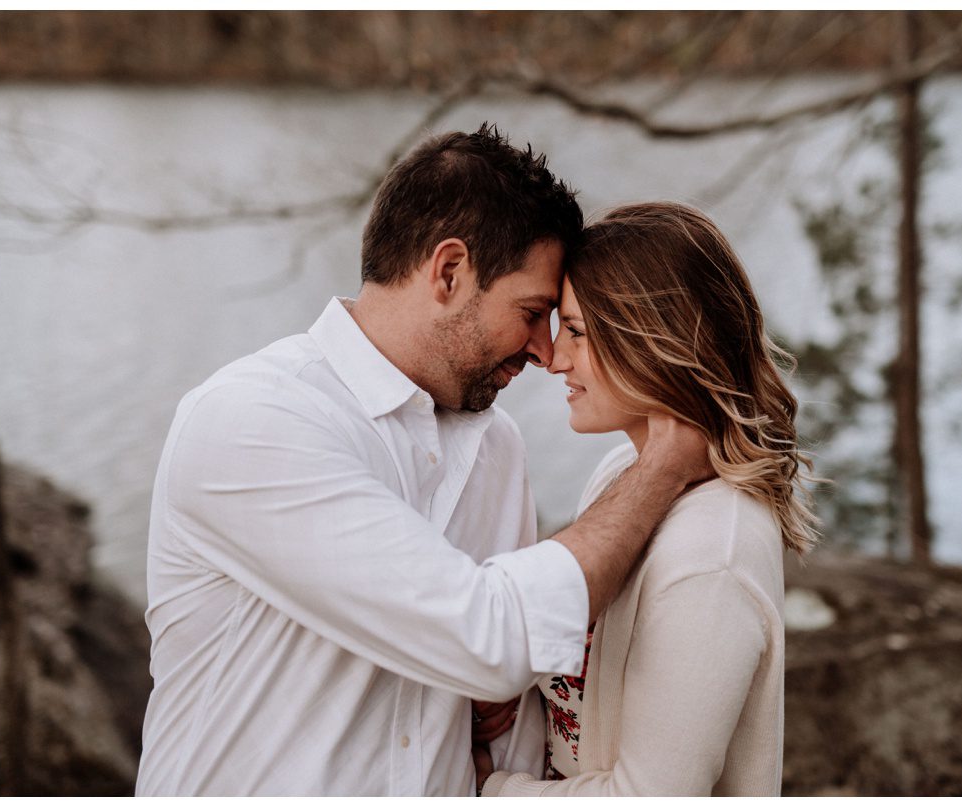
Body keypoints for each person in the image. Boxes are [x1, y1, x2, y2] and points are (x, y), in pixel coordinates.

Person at [135, 126, 711, 796]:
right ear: (448, 271)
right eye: (531, 312)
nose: (545, 352)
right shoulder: (251, 420)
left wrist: (502, 703)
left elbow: (509, 708)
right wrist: (662, 467)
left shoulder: (498, 448)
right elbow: (491, 636)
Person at [476, 202, 820, 796]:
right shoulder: (623, 475)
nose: (555, 359)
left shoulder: (712, 557)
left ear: (654, 338)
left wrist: (487, 791)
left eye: (578, 332)